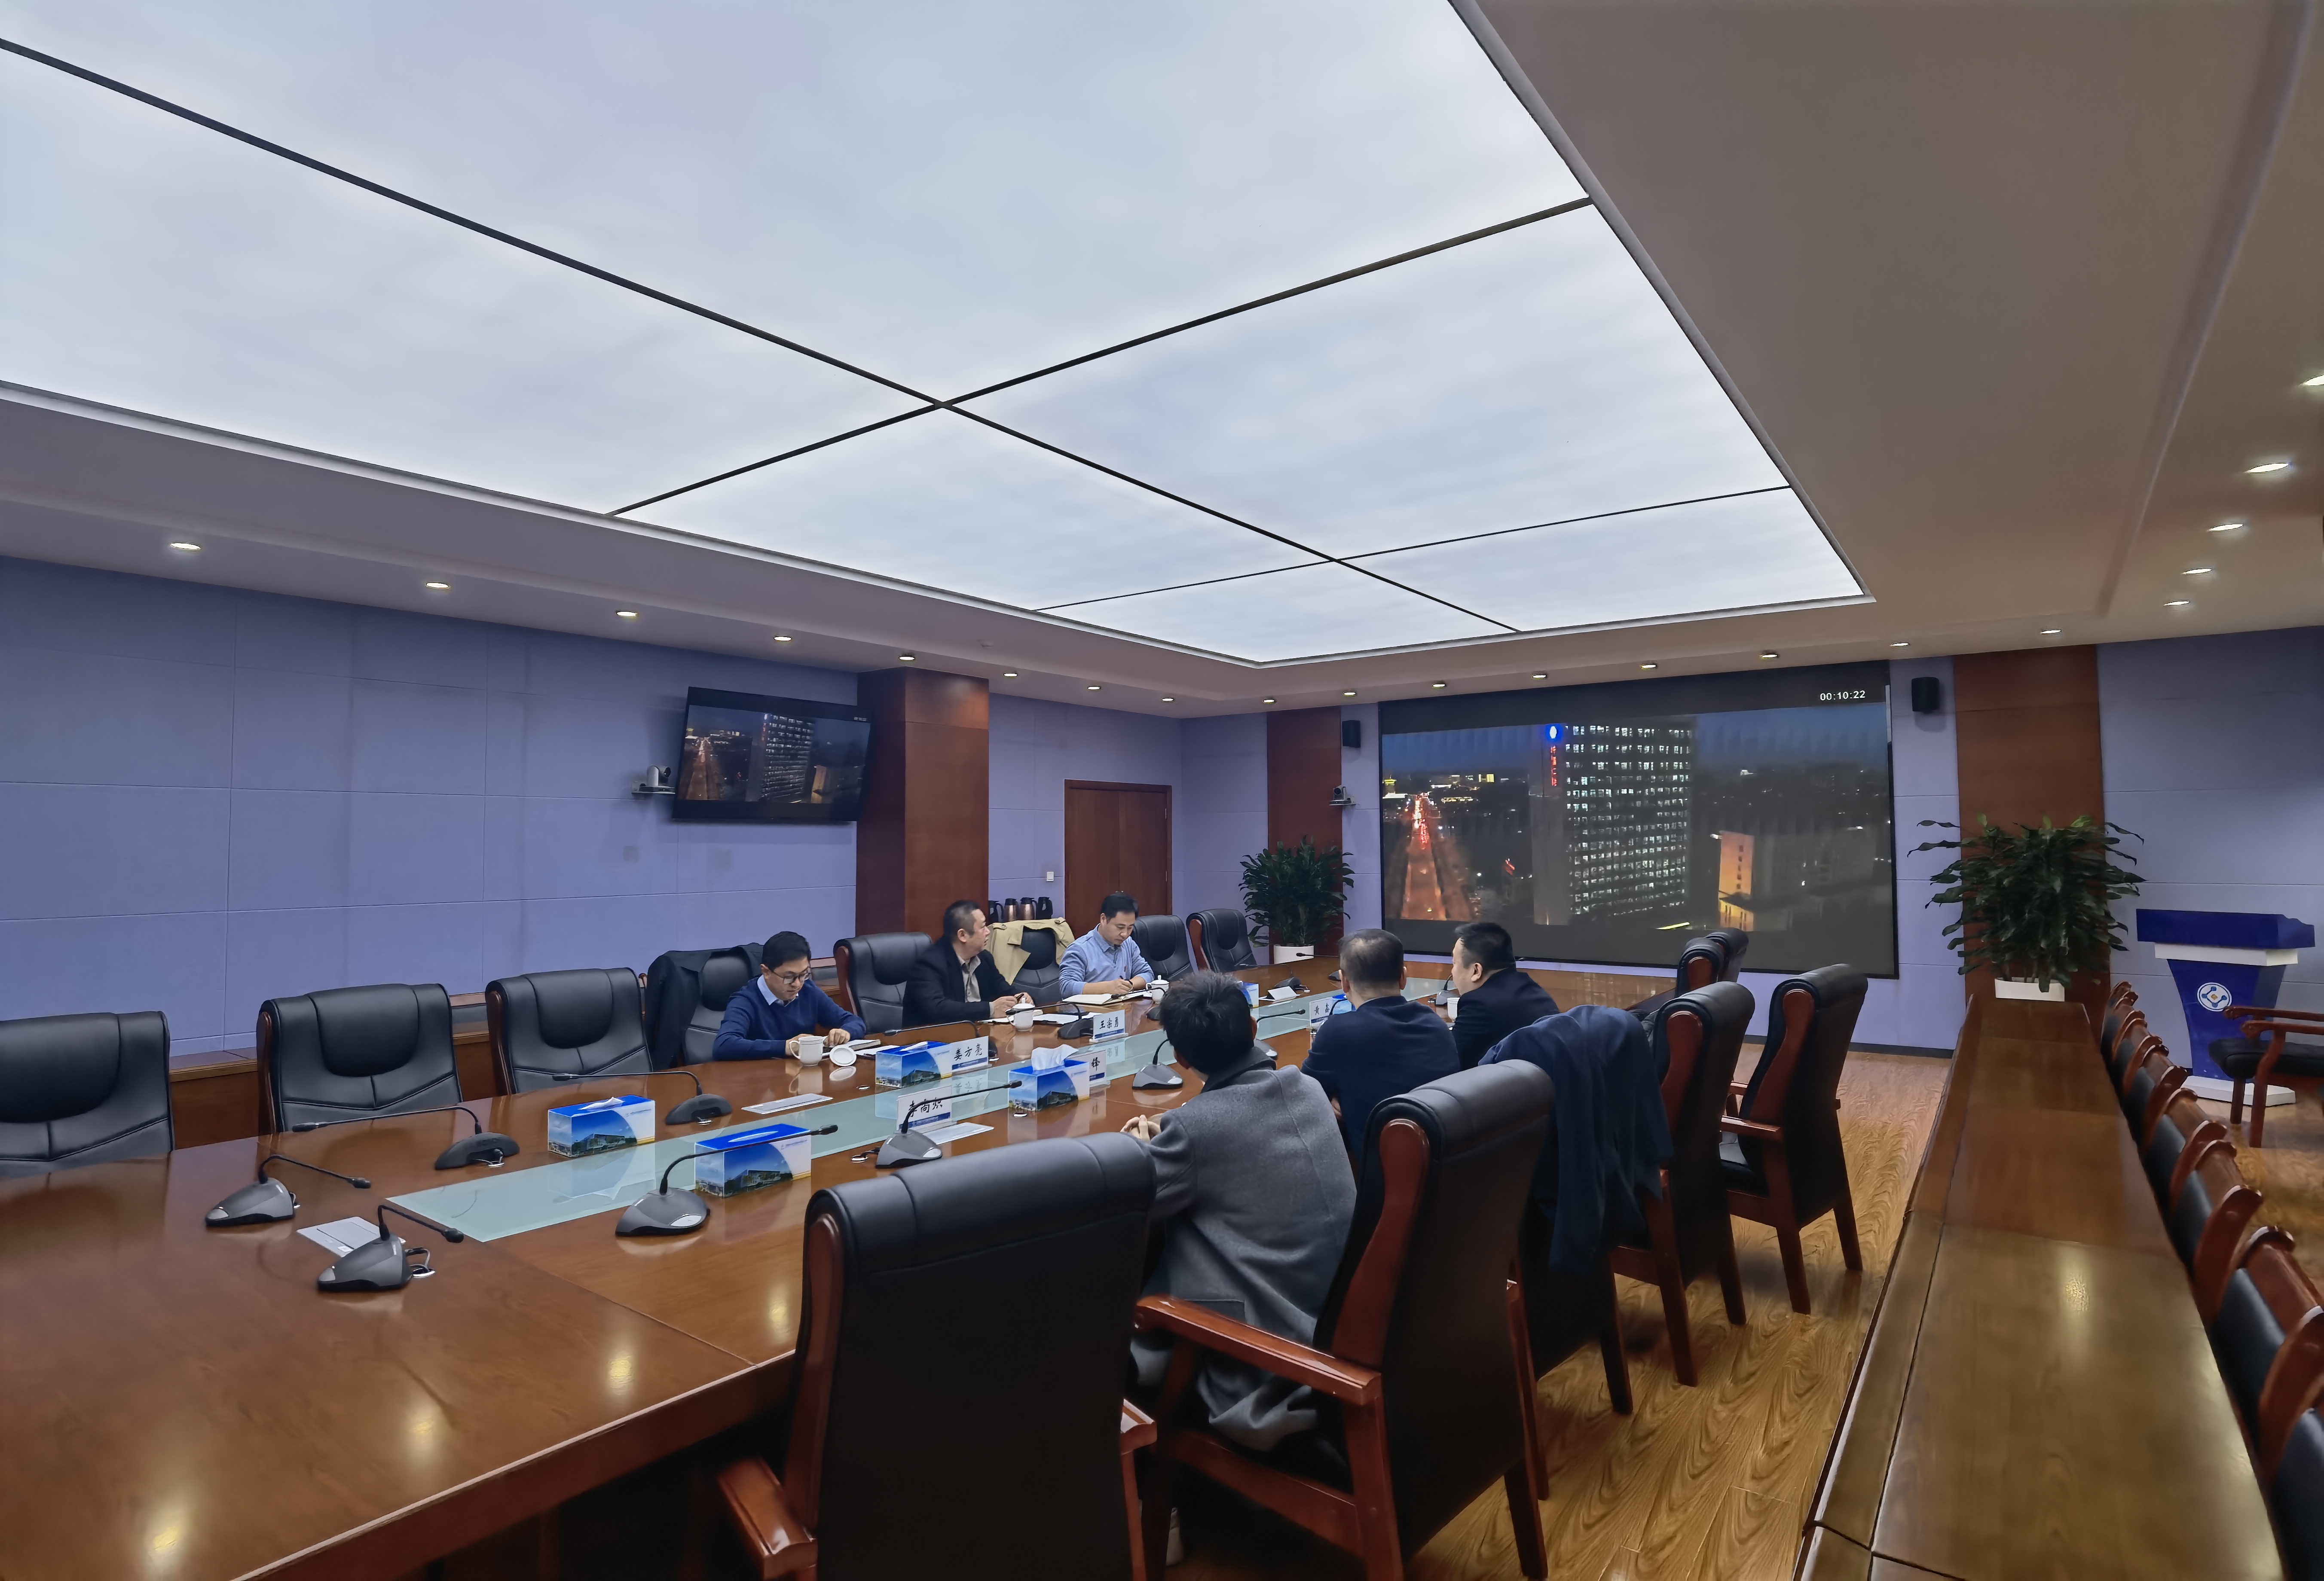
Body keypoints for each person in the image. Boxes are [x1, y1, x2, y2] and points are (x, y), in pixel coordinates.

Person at [1119, 971, 1355, 1450]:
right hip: (1344, 1325)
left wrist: (1139, 1149)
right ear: (1253, 1028)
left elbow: (1133, 1200)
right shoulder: (1307, 1088)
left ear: (1181, 1058)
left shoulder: (1193, 1131)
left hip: (1274, 1361)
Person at [1300, 928, 1460, 1161]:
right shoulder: (1434, 1023)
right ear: (1404, 977)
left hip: (1382, 1173)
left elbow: (1303, 1098)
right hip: (1442, 1163)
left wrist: (1331, 1097)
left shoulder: (1338, 1032)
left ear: (1344, 982)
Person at [712, 931, 866, 1060]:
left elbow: (855, 1022)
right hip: (760, 1080)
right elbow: (725, 1045)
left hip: (801, 1076)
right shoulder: (745, 1000)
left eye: (804, 974)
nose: (797, 984)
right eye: (789, 977)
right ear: (766, 972)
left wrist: (845, 1032)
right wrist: (786, 1047)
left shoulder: (808, 991)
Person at [1447, 921, 1560, 1069]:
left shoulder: (1480, 1004)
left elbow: (1447, 1062)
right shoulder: (1529, 987)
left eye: (1454, 963)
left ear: (1476, 971)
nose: (1452, 972)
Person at [902, 900, 1034, 1026]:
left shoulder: (984, 959)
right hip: (932, 1038)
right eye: (983, 927)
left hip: (979, 1034)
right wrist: (990, 1009)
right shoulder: (929, 964)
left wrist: (1021, 997)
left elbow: (1003, 989)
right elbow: (937, 1009)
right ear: (963, 935)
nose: (988, 932)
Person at [1059, 891, 1153, 997]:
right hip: (1091, 1007)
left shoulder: (1128, 944)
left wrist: (1129, 985)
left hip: (1124, 1006)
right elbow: (1067, 987)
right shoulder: (1080, 949)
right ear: (1104, 919)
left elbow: (1147, 974)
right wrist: (1107, 988)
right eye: (1120, 927)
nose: (1125, 934)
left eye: (1130, 928)